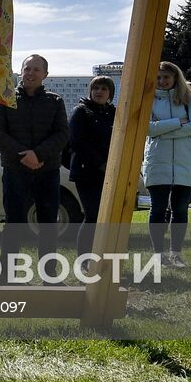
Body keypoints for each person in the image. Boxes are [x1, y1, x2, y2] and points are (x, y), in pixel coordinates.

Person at [0, 54, 69, 267]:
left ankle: (49, 274)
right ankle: (7, 274)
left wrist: (39, 155)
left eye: (36, 69)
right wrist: (24, 155)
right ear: (21, 71)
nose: (31, 73)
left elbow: (62, 134)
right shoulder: (5, 98)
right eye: (27, 68)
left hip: (48, 170)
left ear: (45, 74)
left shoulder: (55, 101)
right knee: (13, 222)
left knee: (48, 223)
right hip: (16, 170)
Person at [141, 61, 191, 267]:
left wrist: (163, 130)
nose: (162, 81)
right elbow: (148, 129)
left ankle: (176, 253)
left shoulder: (189, 98)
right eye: (158, 77)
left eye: (166, 77)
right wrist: (178, 122)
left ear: (176, 77)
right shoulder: (148, 99)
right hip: (157, 159)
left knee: (180, 209)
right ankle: (158, 255)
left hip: (185, 160)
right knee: (157, 208)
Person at [67, 76, 115, 255]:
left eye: (104, 88)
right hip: (86, 172)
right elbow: (77, 142)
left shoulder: (113, 113)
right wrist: (100, 163)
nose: (99, 92)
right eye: (96, 88)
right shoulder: (81, 111)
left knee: (108, 218)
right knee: (93, 215)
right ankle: (85, 259)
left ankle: (103, 258)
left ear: (110, 93)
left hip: (109, 173)